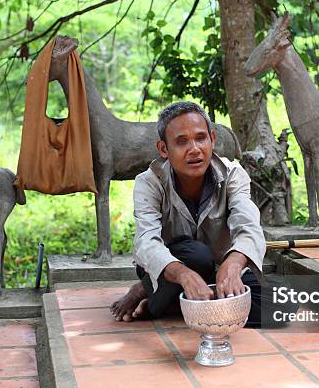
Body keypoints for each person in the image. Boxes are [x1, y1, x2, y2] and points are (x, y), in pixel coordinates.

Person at [110, 101, 266, 326]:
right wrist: (183, 274)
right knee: (197, 255)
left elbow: (249, 224)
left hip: (218, 270)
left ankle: (172, 304)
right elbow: (146, 243)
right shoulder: (149, 182)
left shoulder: (233, 174)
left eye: (201, 138)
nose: (194, 149)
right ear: (164, 149)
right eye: (181, 142)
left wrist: (234, 263)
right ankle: (148, 289)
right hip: (170, 269)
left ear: (212, 139)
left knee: (281, 306)